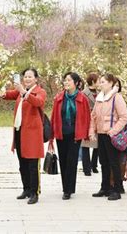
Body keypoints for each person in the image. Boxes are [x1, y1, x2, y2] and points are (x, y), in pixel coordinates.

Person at [0, 68, 47, 205]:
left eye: (30, 77)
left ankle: (34, 192)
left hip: (32, 133)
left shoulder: (40, 91)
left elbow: (38, 102)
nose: (27, 79)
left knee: (33, 164)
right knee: (22, 163)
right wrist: (2, 93)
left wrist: (24, 92)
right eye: (25, 77)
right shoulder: (20, 92)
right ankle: (26, 189)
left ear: (36, 79)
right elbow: (9, 95)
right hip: (20, 131)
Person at [50, 72, 91, 200]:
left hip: (75, 134)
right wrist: (51, 136)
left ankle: (69, 189)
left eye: (69, 80)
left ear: (76, 83)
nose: (66, 82)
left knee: (71, 161)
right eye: (65, 80)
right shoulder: (59, 98)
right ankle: (65, 188)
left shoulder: (82, 98)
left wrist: (87, 132)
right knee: (63, 160)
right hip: (61, 134)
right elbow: (54, 117)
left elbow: (87, 117)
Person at [89, 73, 127, 201]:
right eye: (100, 82)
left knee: (114, 163)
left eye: (103, 82)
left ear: (111, 83)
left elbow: (124, 117)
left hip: (111, 135)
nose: (101, 84)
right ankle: (104, 187)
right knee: (103, 162)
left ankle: (116, 189)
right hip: (101, 134)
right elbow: (93, 116)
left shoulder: (116, 97)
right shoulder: (99, 98)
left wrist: (113, 131)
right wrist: (92, 131)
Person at [81, 72, 100, 176]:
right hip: (87, 120)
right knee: (86, 145)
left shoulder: (100, 93)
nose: (99, 82)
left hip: (98, 120)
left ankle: (94, 165)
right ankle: (86, 168)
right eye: (98, 80)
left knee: (97, 144)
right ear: (93, 81)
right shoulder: (84, 93)